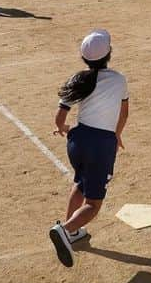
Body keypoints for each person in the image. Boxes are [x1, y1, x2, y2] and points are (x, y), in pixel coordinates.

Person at [49, 29, 129, 268]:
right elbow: (123, 113)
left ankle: (71, 232)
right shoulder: (118, 79)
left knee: (81, 183)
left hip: (77, 140)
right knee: (93, 204)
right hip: (99, 145)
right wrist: (116, 137)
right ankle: (65, 229)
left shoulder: (78, 78)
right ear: (109, 54)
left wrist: (64, 127)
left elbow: (60, 116)